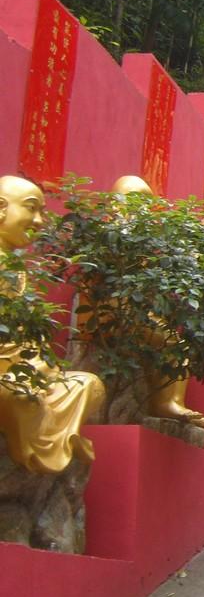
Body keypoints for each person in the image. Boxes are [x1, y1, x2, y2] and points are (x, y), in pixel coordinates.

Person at [0, 175, 107, 473]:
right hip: (11, 377)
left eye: (43, 212)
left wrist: (39, 363)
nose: (39, 220)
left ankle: (48, 433)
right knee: (22, 396)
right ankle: (36, 444)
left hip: (29, 371)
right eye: (31, 209)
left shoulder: (15, 267)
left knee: (90, 385)